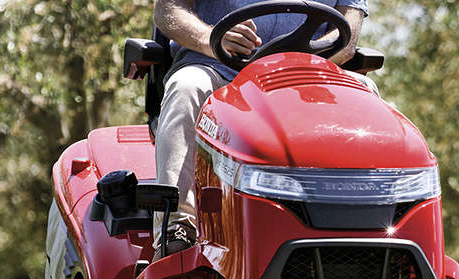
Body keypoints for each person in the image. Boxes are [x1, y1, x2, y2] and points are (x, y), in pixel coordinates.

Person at [152, 0, 368, 259]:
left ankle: (360, 232)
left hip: (305, 78)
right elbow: (167, 10)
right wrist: (210, 38)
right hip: (216, 68)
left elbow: (348, 32)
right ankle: (177, 229)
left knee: (365, 93)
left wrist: (307, 58)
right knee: (187, 87)